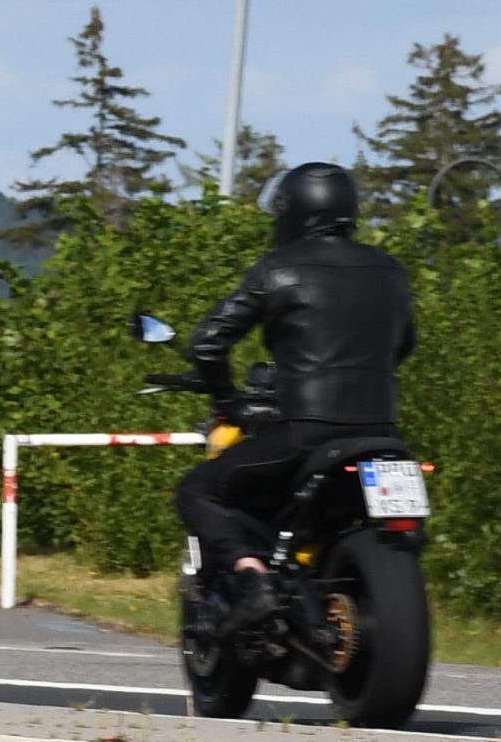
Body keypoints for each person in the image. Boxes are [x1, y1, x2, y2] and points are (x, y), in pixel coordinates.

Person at [173, 162, 417, 628]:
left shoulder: (279, 268)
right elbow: (404, 345)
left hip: (305, 433)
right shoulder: (391, 271)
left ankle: (253, 580)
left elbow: (208, 342)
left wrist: (229, 400)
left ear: (293, 212)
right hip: (385, 435)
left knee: (198, 490)